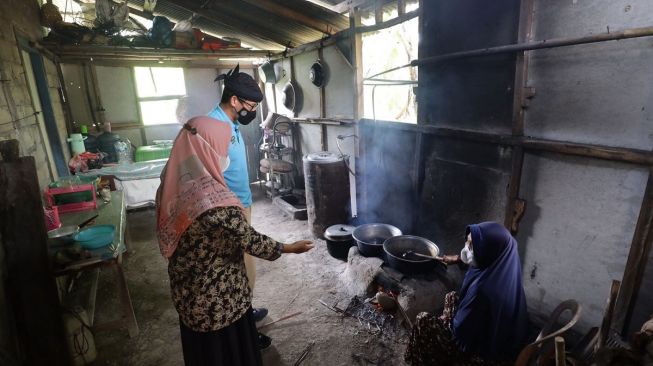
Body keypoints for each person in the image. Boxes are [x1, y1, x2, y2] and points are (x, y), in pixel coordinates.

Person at [156, 116, 313, 366]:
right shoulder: (211, 202)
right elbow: (248, 239)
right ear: (206, 150)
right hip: (218, 304)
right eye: (221, 149)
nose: (225, 155)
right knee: (227, 355)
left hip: (188, 293)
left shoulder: (174, 183)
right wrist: (287, 247)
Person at [405, 221, 530, 365]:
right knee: (451, 296)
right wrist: (458, 259)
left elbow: (460, 334)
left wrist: (447, 323)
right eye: (467, 242)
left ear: (486, 252)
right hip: (498, 332)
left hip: (480, 354)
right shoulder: (505, 265)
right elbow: (476, 263)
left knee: (422, 320)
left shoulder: (481, 291)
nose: (466, 249)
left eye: (471, 246)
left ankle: (417, 360)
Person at [207, 65, 270, 332]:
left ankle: (245, 313)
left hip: (241, 203)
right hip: (229, 209)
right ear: (234, 100)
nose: (253, 112)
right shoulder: (213, 127)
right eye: (251, 105)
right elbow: (210, 177)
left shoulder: (229, 121)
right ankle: (243, 328)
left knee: (244, 264)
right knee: (236, 268)